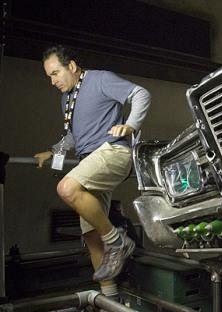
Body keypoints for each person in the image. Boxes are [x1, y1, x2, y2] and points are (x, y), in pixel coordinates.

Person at [33, 45, 151, 299]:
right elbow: (73, 136)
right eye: (49, 77)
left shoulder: (100, 79)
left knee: (66, 188)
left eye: (55, 73)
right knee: (91, 235)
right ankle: (109, 297)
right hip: (90, 161)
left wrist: (131, 125)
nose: (53, 81)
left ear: (72, 66)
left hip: (113, 152)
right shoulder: (67, 98)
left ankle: (119, 242)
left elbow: (141, 94)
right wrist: (52, 152)